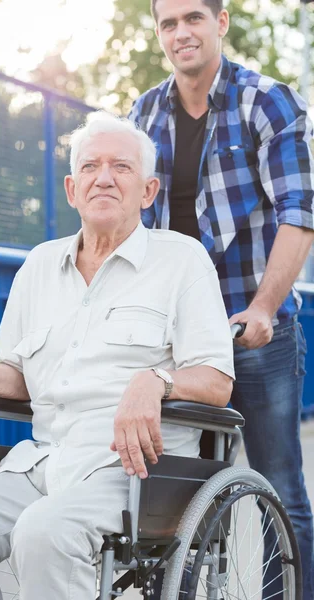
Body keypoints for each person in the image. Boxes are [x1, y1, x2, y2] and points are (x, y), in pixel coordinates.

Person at [0, 113, 234, 600]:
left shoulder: (182, 260)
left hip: (136, 472)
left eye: (121, 167)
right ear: (71, 187)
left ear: (148, 191)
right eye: (90, 166)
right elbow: (20, 373)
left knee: (43, 534)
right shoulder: (40, 264)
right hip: (44, 464)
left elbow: (217, 380)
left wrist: (156, 380)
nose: (103, 178)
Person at [128, 0, 314, 597]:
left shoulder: (266, 101)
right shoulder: (145, 112)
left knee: (279, 486)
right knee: (175, 489)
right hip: (176, 339)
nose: (181, 33)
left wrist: (263, 308)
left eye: (193, 18)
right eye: (168, 23)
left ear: (221, 21)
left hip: (252, 327)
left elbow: (300, 211)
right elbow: (134, 226)